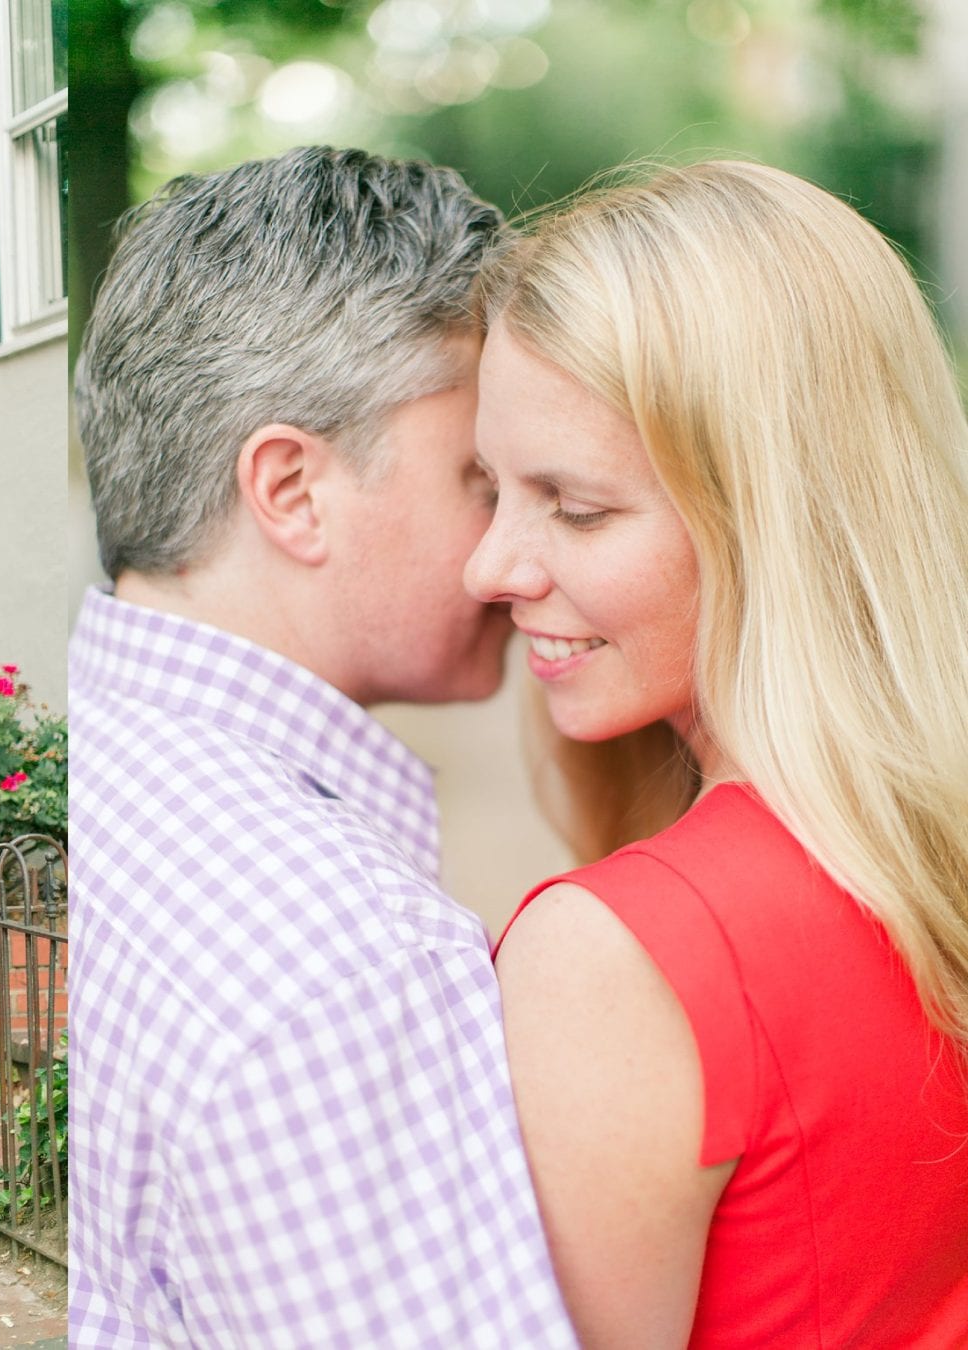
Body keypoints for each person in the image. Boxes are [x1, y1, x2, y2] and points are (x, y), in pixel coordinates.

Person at [68, 147, 575, 1346]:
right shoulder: (348, 966)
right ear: (292, 491)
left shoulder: (103, 772)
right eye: (481, 481)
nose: (515, 555)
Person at [466, 160, 968, 1346]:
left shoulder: (620, 956)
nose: (491, 569)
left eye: (576, 508)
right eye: (488, 489)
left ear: (775, 509)